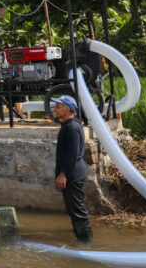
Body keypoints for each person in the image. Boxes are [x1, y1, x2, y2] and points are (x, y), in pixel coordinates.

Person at [53, 95, 93, 241]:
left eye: (58, 107)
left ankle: (86, 242)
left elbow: (72, 154)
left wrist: (63, 174)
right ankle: (80, 234)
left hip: (72, 175)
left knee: (77, 211)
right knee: (74, 207)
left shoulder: (71, 127)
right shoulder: (69, 125)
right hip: (73, 172)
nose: (55, 110)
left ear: (68, 109)